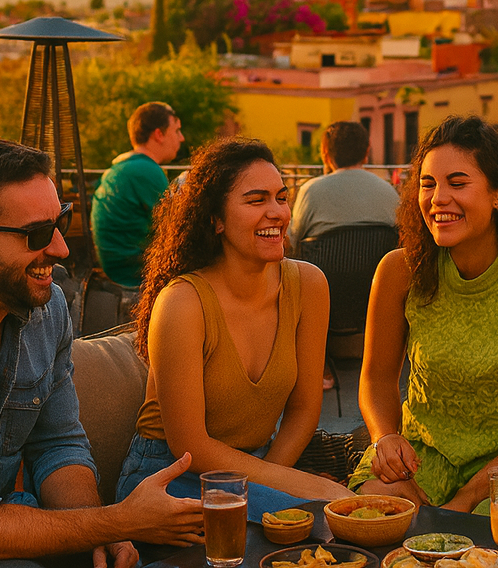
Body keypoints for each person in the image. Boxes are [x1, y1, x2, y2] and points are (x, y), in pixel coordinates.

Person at [0, 139, 203, 568]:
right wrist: (117, 522)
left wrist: (97, 535)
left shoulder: (44, 310)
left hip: (3, 523)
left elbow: (58, 444)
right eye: (38, 234)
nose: (62, 248)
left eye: (60, 221)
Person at [349, 114, 498, 529]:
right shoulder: (399, 271)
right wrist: (384, 438)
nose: (438, 198)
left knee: (494, 535)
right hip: (423, 456)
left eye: (457, 184)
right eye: (428, 184)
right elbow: (375, 379)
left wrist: (471, 494)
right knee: (370, 522)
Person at [116, 137, 354, 509]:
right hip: (171, 476)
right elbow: (190, 445)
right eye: (256, 200)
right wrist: (296, 490)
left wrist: (278, 484)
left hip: (257, 463)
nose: (277, 212)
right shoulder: (183, 302)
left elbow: (305, 409)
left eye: (281, 196)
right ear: (216, 219)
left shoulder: (309, 285)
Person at [91, 101, 184, 290]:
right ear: (159, 134)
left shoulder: (122, 167)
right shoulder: (145, 170)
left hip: (116, 267)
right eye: (176, 130)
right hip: (133, 275)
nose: (181, 138)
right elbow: (178, 229)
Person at [286, 120, 399, 249]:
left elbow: (293, 242)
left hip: (322, 268)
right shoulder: (389, 192)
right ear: (366, 152)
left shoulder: (311, 191)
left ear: (325, 153)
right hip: (377, 269)